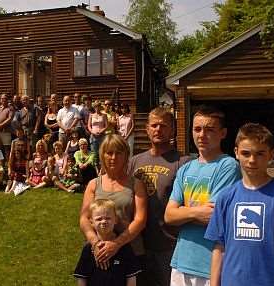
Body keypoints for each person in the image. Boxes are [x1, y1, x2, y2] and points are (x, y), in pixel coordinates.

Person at [164, 105, 241, 286]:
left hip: (210, 264)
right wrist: (195, 213)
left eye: (209, 129)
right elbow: (168, 216)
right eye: (197, 129)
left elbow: (214, 217)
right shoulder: (185, 169)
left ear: (223, 133)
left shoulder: (228, 166)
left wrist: (182, 213)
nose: (201, 135)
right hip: (181, 261)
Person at [205, 123, 274, 286]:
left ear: (271, 155)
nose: (252, 160)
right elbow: (219, 248)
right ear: (236, 153)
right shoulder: (226, 197)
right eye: (246, 153)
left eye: (260, 153)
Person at [128, 107, 190, 286]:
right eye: (154, 125)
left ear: (172, 130)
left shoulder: (183, 162)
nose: (158, 130)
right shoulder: (134, 162)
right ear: (147, 129)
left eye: (163, 126)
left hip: (169, 244)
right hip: (138, 244)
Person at [79, 134, 147, 283]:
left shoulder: (136, 184)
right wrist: (96, 243)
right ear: (102, 155)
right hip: (99, 253)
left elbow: (140, 220)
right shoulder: (93, 184)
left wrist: (116, 244)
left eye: (118, 153)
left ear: (126, 155)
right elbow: (84, 219)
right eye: (109, 152)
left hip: (130, 253)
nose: (113, 157)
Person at [74, 199, 142, 286]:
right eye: (99, 219)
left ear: (116, 220)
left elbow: (131, 277)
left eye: (108, 218)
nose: (104, 221)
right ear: (91, 222)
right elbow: (82, 277)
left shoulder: (124, 247)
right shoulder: (88, 249)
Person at [0, 93, 14, 161]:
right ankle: (0, 165)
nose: (4, 100)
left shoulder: (10, 108)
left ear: (7, 100)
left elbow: (10, 118)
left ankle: (8, 166)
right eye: (2, 98)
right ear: (0, 100)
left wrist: (1, 125)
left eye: (5, 99)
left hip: (6, 131)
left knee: (7, 149)